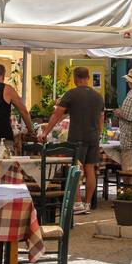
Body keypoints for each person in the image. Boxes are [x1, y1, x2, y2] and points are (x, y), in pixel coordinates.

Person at [39, 66, 103, 213]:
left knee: (75, 168)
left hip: (77, 136)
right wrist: (98, 133)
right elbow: (101, 117)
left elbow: (57, 115)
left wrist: (46, 132)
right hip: (93, 136)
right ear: (87, 78)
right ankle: (87, 203)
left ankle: (77, 203)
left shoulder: (71, 94)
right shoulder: (98, 96)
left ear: (75, 79)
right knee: (90, 168)